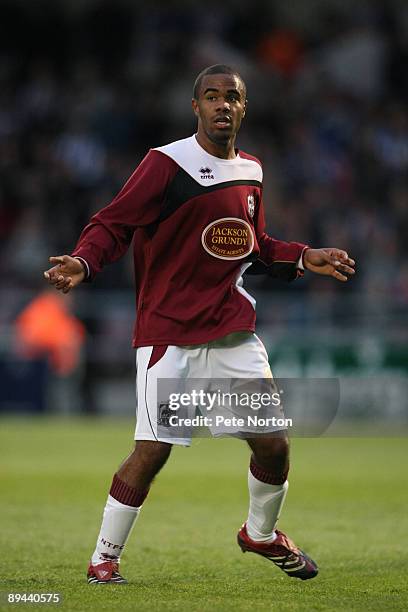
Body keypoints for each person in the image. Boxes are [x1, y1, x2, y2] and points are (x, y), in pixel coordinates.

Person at [44, 64, 355, 584]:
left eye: (231, 97)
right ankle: (104, 559)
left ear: (244, 107)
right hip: (170, 333)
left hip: (232, 329)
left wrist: (302, 257)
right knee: (153, 449)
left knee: (274, 442)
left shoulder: (252, 171)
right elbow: (112, 223)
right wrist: (84, 261)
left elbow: (250, 245)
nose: (221, 105)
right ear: (195, 107)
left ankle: (259, 535)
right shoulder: (166, 164)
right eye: (211, 97)